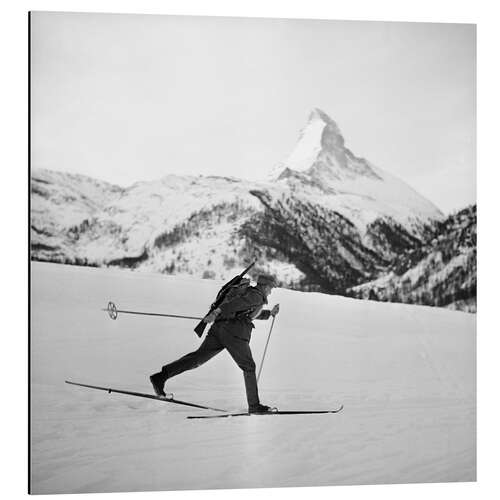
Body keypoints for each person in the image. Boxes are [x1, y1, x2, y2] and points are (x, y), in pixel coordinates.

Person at [150, 274, 280, 413]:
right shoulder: (256, 296)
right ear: (265, 286)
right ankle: (254, 406)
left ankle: (160, 377)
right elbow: (234, 306)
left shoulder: (250, 294)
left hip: (219, 329)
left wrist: (269, 313)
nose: (271, 291)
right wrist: (215, 312)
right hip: (234, 333)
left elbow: (244, 311)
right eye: (271, 287)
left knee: (197, 358)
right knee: (248, 366)